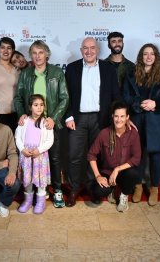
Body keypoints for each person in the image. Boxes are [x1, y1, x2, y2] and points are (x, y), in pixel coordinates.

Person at [64, 37, 120, 207]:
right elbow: (65, 96)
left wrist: (118, 118)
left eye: (92, 48)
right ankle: (74, 188)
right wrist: (68, 116)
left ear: (97, 50)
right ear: (81, 50)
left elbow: (115, 96)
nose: (89, 51)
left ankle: (92, 188)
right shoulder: (72, 68)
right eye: (85, 48)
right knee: (74, 155)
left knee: (96, 156)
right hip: (78, 119)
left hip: (100, 119)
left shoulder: (108, 68)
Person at [14, 40, 69, 208]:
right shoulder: (26, 73)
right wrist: (22, 114)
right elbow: (18, 97)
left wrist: (54, 118)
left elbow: (64, 98)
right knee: (32, 158)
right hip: (31, 124)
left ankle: (57, 190)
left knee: (54, 158)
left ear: (47, 54)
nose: (38, 56)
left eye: (41, 52)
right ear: (31, 56)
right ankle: (34, 193)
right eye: (34, 53)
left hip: (49, 124)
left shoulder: (57, 72)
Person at [123, 43, 160, 206]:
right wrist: (136, 105)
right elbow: (125, 96)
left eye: (152, 54)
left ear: (156, 56)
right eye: (145, 54)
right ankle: (138, 186)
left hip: (156, 120)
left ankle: (154, 188)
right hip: (137, 120)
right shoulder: (131, 74)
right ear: (141, 57)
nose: (149, 57)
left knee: (156, 156)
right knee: (137, 156)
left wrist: (156, 103)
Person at [88, 101, 141, 212]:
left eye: (122, 116)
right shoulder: (104, 133)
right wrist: (98, 176)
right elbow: (91, 155)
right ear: (112, 116)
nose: (119, 119)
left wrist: (117, 169)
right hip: (107, 172)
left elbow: (136, 158)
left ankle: (124, 195)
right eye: (116, 116)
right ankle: (111, 191)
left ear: (127, 117)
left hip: (124, 173)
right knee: (98, 191)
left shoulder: (133, 134)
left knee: (133, 173)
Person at [15, 94, 54, 214]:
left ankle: (40, 202)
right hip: (26, 156)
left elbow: (49, 140)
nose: (39, 108)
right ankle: (27, 201)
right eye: (36, 105)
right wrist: (22, 149)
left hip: (40, 156)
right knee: (27, 179)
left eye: (41, 105)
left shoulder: (46, 123)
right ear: (30, 107)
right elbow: (17, 137)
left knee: (40, 179)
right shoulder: (24, 121)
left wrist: (39, 150)